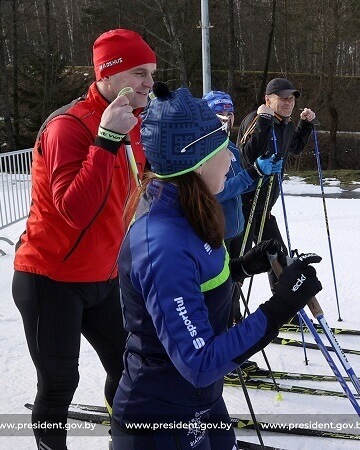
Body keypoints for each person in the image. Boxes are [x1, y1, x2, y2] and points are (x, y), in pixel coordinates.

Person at [111, 84, 323, 449]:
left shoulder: (190, 210)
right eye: (221, 148)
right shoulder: (163, 243)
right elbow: (200, 361)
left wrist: (243, 266)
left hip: (201, 402)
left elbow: (199, 284)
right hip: (161, 417)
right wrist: (281, 306)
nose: (231, 158)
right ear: (193, 161)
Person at [12, 29, 156, 449]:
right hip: (51, 278)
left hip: (105, 276)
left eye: (152, 72)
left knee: (128, 366)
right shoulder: (68, 127)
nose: (150, 82)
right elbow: (74, 211)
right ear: (110, 74)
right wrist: (107, 139)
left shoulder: (134, 121)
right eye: (140, 72)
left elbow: (137, 187)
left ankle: (124, 435)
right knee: (59, 383)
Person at [203, 90, 282, 324]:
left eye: (229, 113)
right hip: (217, 230)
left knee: (235, 281)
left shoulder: (231, 149)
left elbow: (241, 187)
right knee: (220, 286)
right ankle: (225, 330)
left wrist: (262, 175)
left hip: (237, 227)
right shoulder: (205, 150)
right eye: (219, 113)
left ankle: (233, 322)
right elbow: (218, 191)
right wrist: (253, 173)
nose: (226, 118)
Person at [231, 77, 316, 259]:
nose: (288, 102)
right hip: (244, 205)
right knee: (239, 262)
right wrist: (264, 120)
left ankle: (282, 286)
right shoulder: (255, 119)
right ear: (268, 100)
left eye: (291, 99)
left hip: (264, 207)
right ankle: (233, 288)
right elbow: (247, 157)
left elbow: (294, 147)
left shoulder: (286, 124)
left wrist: (305, 125)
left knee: (279, 258)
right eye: (283, 98)